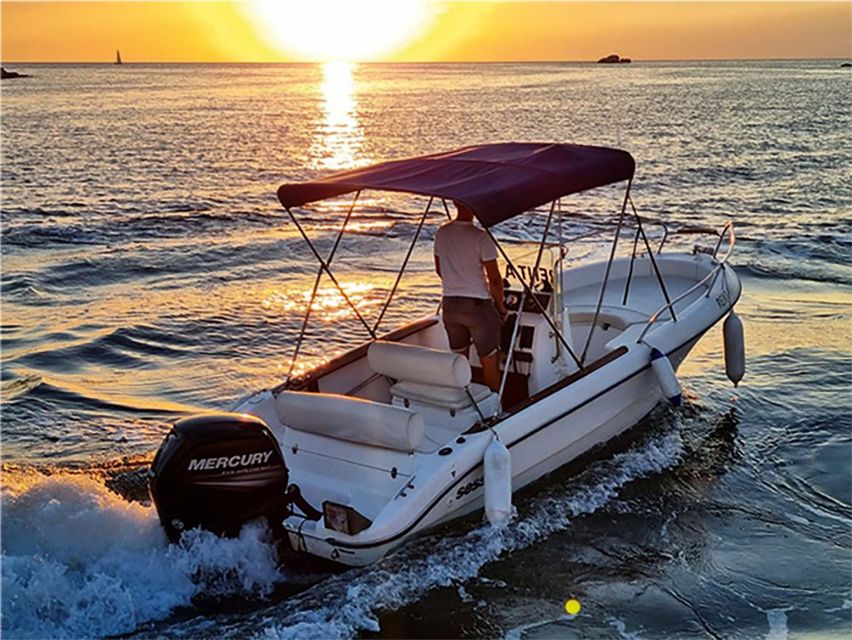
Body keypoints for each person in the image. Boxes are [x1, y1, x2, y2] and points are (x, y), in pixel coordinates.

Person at [434, 201, 507, 391]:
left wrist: (456, 283)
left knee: (459, 362)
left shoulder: (442, 232)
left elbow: (439, 269)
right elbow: (495, 281)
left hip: (450, 305)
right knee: (489, 360)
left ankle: (463, 402)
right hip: (477, 307)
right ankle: (494, 411)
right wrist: (500, 308)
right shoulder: (481, 237)